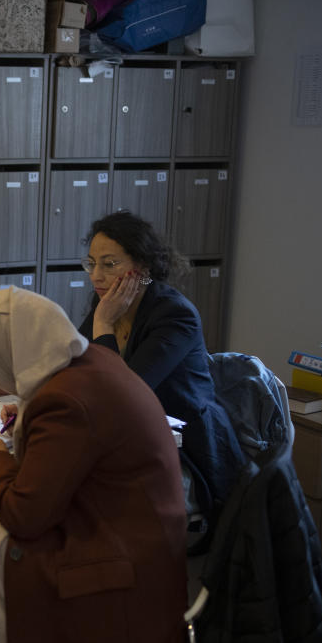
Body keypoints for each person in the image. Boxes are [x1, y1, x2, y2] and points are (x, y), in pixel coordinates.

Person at [0, 287, 188, 643]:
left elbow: (24, 514)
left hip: (115, 568)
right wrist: (29, 414)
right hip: (146, 546)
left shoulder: (65, 401)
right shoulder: (90, 361)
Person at [77, 211, 245, 518]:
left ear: (141, 268)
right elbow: (74, 366)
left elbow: (123, 394)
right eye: (92, 263)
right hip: (128, 444)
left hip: (184, 458)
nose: (95, 276)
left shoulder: (174, 315)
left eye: (109, 264)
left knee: (79, 499)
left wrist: (103, 324)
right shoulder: (108, 303)